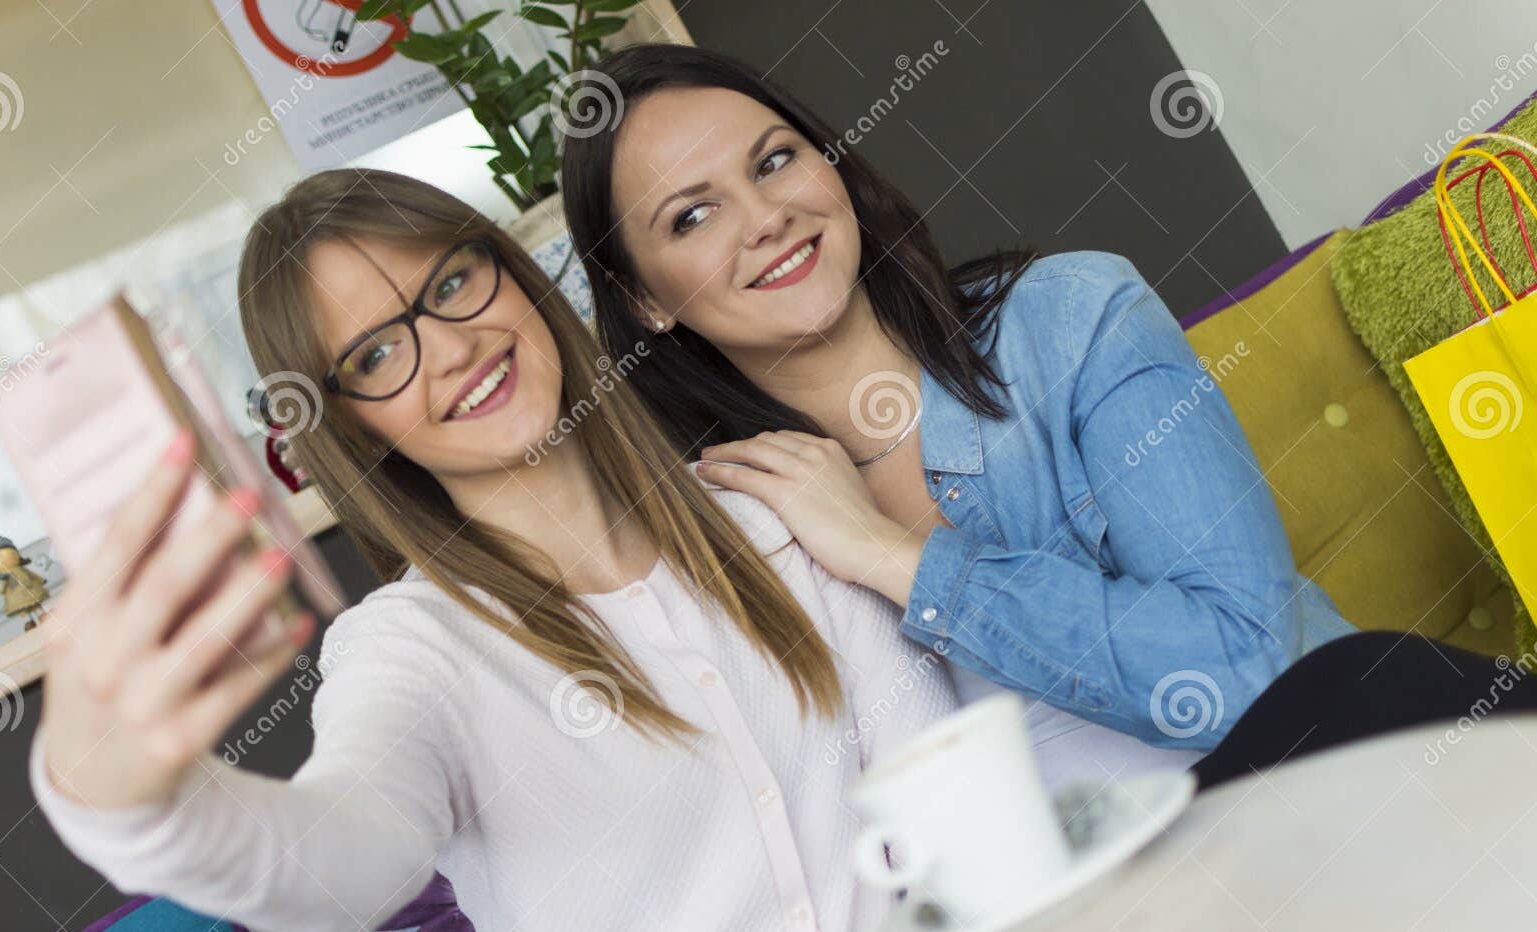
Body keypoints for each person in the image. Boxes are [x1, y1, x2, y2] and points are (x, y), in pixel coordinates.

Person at [29, 168, 957, 932]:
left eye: (451, 284)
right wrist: (125, 805)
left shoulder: (764, 510)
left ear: (514, 277)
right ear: (350, 423)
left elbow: (940, 797)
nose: (453, 347)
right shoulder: (409, 648)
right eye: (378, 353)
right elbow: (350, 866)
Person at [560, 43, 1357, 761]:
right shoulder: (718, 521)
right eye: (693, 215)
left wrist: (890, 553)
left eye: (773, 161)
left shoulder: (1072, 320)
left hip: (1340, 777)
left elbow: (1249, 668)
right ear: (642, 298)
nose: (768, 217)